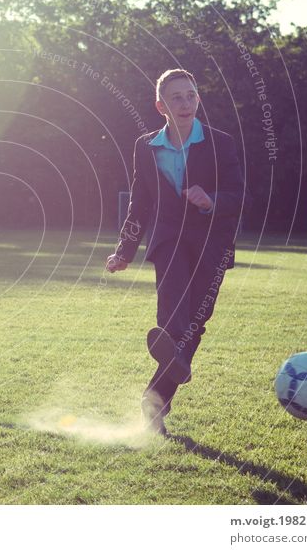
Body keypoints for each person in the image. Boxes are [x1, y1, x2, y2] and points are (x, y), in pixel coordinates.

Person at [106, 69, 247, 435]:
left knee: (194, 327)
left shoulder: (221, 143)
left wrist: (211, 200)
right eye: (176, 98)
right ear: (161, 106)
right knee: (174, 323)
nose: (185, 103)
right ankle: (167, 369)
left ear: (198, 99)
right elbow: (140, 203)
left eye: (191, 95)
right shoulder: (145, 146)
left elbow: (239, 195)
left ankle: (154, 403)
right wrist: (124, 251)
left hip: (211, 247)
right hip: (169, 242)